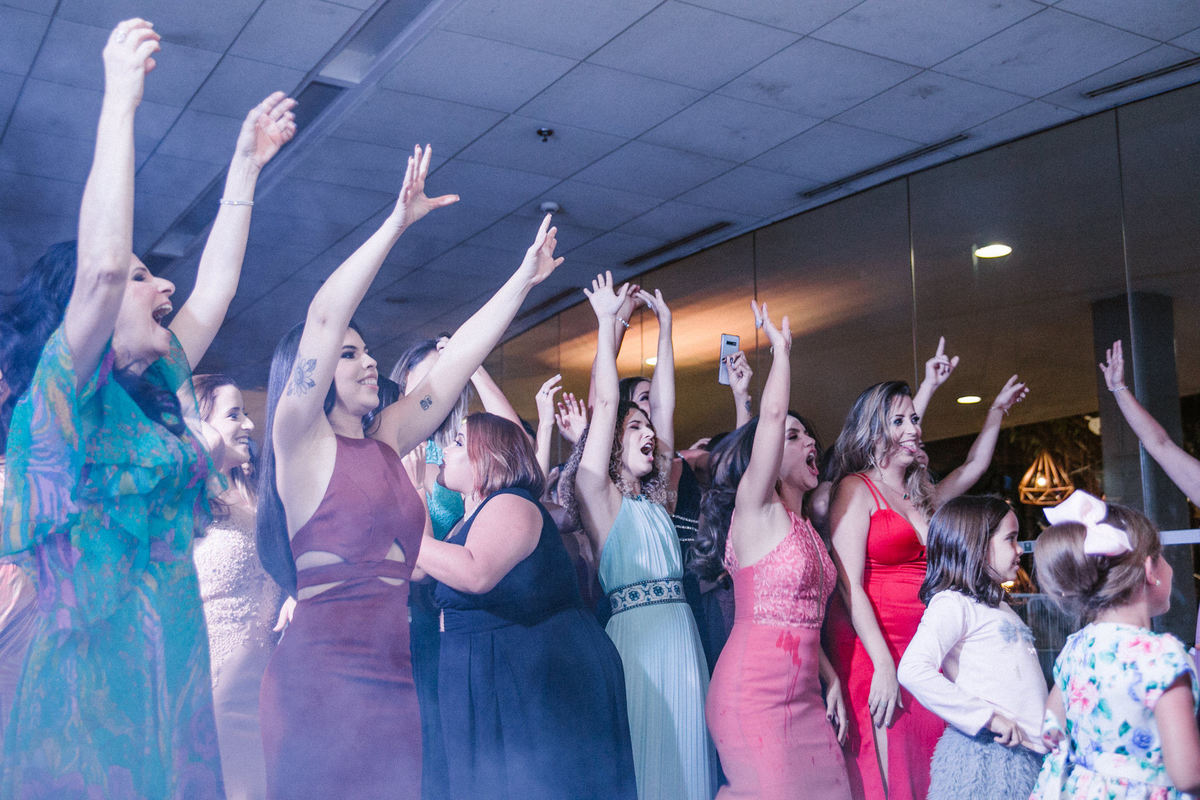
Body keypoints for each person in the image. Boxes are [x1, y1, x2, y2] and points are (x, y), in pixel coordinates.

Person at [0, 18, 294, 796]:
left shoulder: (153, 391)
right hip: (88, 688)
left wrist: (244, 167)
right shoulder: (55, 406)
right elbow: (98, 272)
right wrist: (121, 101)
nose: (162, 288)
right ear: (82, 313)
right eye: (143, 278)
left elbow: (216, 289)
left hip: (173, 672)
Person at [254, 138, 563, 799]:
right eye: (350, 355)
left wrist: (522, 281)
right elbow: (323, 314)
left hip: (395, 677)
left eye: (368, 353)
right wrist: (395, 223)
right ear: (311, 374)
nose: (369, 363)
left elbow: (452, 367)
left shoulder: (387, 440)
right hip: (321, 679)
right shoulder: (297, 441)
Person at [825, 372, 1028, 800]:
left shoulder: (924, 495)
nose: (914, 429)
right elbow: (849, 587)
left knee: (934, 769)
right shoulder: (855, 489)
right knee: (896, 771)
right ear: (875, 429)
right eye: (899, 421)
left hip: (930, 648)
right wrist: (882, 664)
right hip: (877, 647)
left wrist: (995, 412)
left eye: (915, 420)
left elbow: (974, 467)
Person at [414, 412, 636, 799]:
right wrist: (415, 490)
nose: (446, 450)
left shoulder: (512, 504)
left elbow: (475, 573)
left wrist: (402, 519)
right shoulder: (463, 522)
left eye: (459, 442)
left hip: (524, 676)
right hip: (482, 669)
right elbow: (420, 567)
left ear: (490, 457)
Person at [560, 271, 717, 800]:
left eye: (646, 428)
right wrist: (608, 325)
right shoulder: (597, 497)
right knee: (651, 764)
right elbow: (605, 406)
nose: (649, 431)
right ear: (609, 445)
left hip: (681, 638)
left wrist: (667, 330)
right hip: (637, 648)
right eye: (636, 428)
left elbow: (666, 410)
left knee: (690, 761)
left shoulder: (659, 499)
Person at [696, 301, 850, 800]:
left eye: (809, 435)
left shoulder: (806, 526)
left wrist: (829, 677)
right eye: (793, 436)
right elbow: (772, 414)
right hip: (752, 698)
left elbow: (803, 617)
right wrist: (780, 354)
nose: (808, 441)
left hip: (805, 695)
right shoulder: (755, 510)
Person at [390, 336, 524, 800]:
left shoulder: (465, 449)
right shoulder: (399, 449)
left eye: (447, 371)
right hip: (416, 604)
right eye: (426, 375)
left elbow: (515, 445)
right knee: (427, 734)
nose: (436, 383)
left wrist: (474, 365)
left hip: (473, 606)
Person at [1029, 490, 1200, 799]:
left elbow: (1051, 728)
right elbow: (1188, 775)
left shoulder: (1076, 646)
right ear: (1150, 571)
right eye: (1164, 557)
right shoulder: (1162, 656)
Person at [896, 495, 1047, 800]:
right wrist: (986, 718)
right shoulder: (953, 603)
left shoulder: (997, 606)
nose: (1019, 550)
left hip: (1024, 757)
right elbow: (912, 670)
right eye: (1011, 539)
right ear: (975, 544)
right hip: (988, 758)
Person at [192, 374, 284, 800]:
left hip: (266, 678)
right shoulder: (185, 501)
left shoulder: (260, 496)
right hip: (214, 683)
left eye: (247, 413)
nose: (248, 424)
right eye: (234, 415)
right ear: (200, 425)